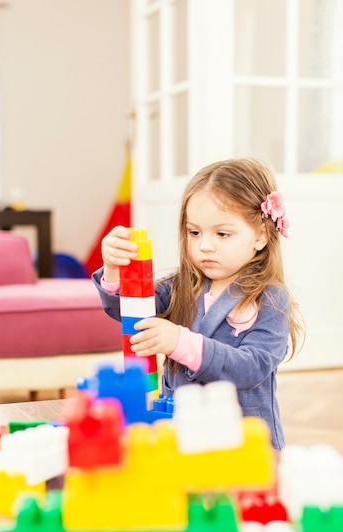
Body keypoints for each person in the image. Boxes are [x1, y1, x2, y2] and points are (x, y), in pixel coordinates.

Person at [92, 158, 304, 450]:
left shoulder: (270, 298)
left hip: (242, 445)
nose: (205, 245)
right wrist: (114, 270)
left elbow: (251, 368)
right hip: (183, 439)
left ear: (261, 235)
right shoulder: (181, 285)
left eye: (222, 234)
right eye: (195, 232)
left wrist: (181, 342)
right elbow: (128, 313)